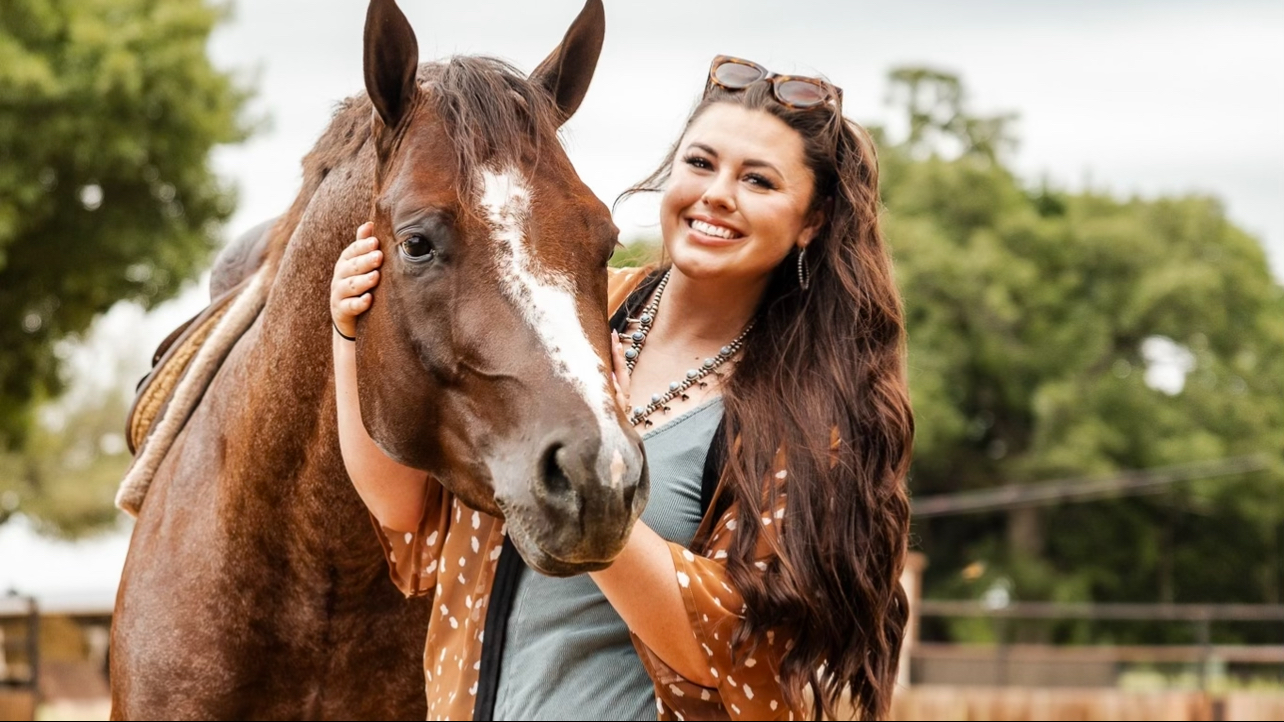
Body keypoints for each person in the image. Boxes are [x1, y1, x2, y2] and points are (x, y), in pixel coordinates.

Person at [330, 54, 913, 721]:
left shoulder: (809, 415)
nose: (718, 193)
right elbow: (409, 514)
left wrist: (595, 467)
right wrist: (351, 333)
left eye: (758, 180)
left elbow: (743, 648)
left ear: (812, 219)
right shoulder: (564, 316)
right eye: (700, 163)